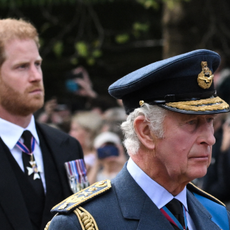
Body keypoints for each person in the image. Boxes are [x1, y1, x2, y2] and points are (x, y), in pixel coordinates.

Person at [47, 49, 230, 230]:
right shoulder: (83, 223)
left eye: (210, 121)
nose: (210, 139)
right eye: (191, 123)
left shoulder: (217, 213)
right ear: (146, 131)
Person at [0, 18, 85, 230]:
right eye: (21, 67)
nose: (36, 76)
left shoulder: (67, 146)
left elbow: (86, 217)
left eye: (37, 64)